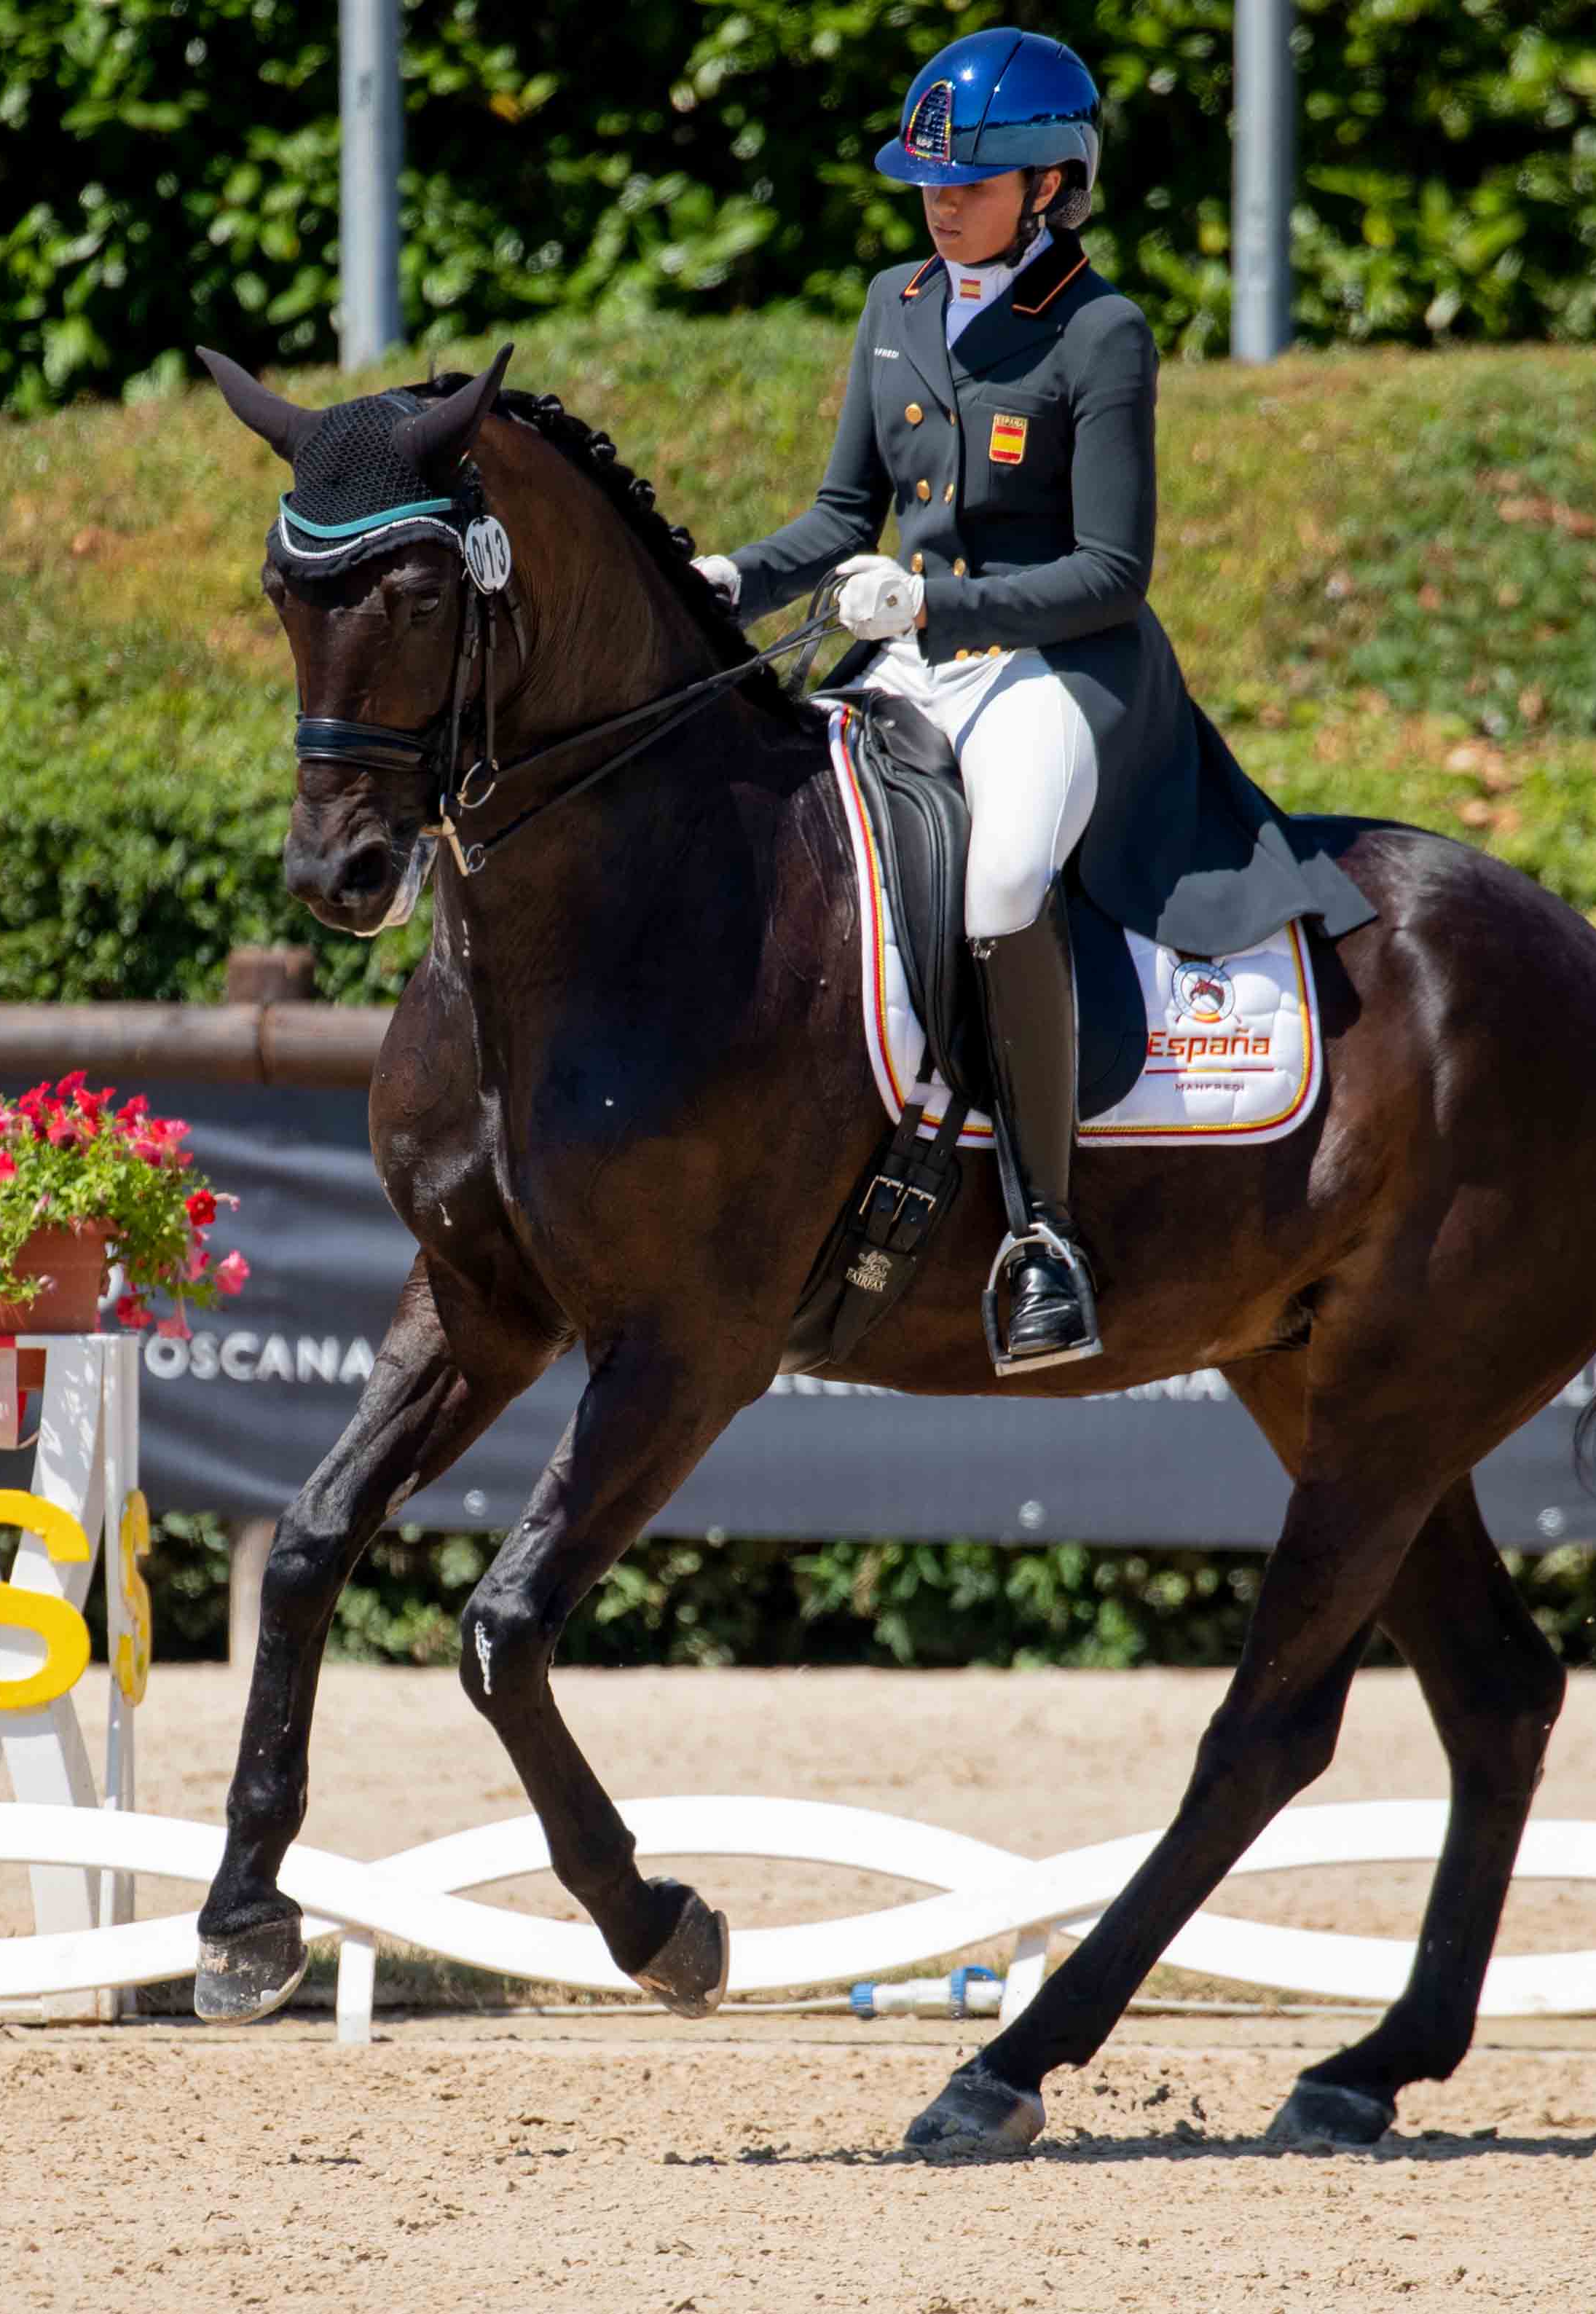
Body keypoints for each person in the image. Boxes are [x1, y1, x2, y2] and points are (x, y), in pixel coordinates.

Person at [693, 26, 1142, 1376]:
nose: (941, 202)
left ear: (1051, 185)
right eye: (929, 182)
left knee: (1002, 883)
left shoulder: (1098, 331)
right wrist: (720, 574)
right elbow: (842, 515)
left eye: (976, 182)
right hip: (901, 646)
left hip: (1048, 662)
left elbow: (1111, 572)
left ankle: (1044, 1235)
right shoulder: (894, 303)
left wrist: (934, 606)